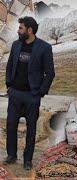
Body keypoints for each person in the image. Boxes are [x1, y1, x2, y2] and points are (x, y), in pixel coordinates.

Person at [4, 16, 55, 170]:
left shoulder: (44, 48)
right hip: (15, 95)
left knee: (31, 130)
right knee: (11, 126)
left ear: (30, 30)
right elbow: (9, 66)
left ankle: (27, 160)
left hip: (31, 97)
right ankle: (11, 155)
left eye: (21, 28)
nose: (18, 30)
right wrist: (9, 85)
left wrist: (40, 92)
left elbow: (50, 73)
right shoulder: (15, 45)